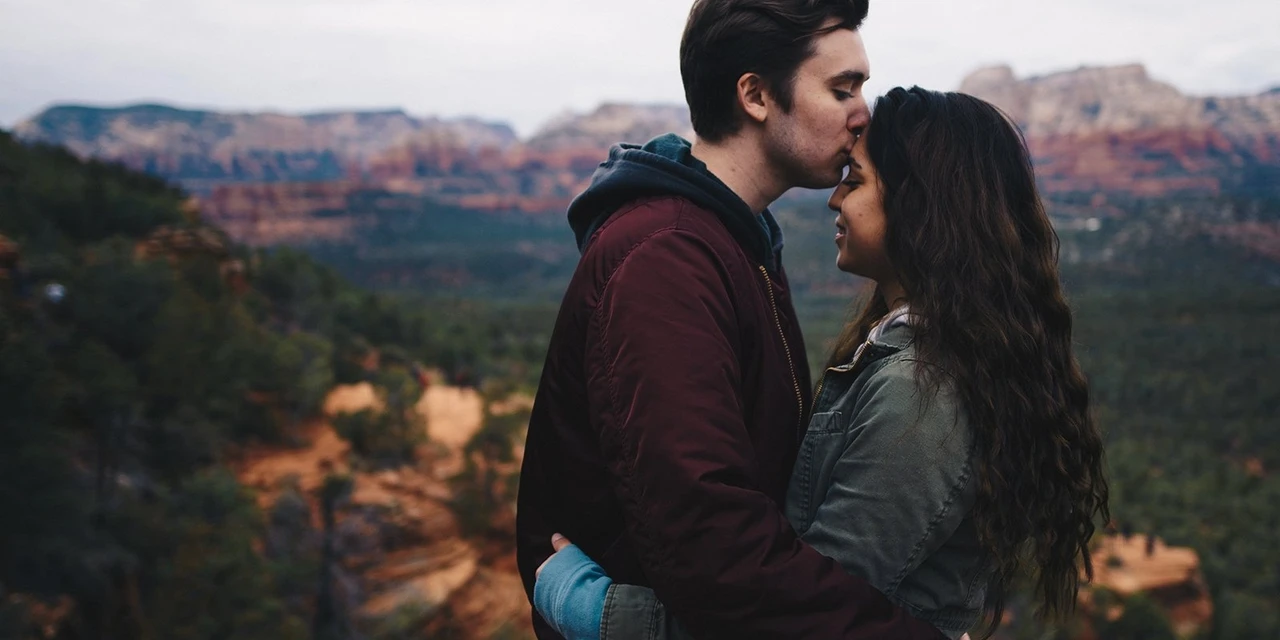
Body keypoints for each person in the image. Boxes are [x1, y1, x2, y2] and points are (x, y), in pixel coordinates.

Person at [533, 87, 1110, 640]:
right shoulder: (911, 356)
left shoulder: (920, 392)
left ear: (922, 208)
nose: (834, 198)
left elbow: (797, 620)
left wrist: (595, 609)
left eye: (854, 182)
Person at [516, 1, 953, 639]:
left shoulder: (735, 241)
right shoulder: (666, 257)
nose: (864, 112)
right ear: (754, 95)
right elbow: (710, 543)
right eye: (842, 88)